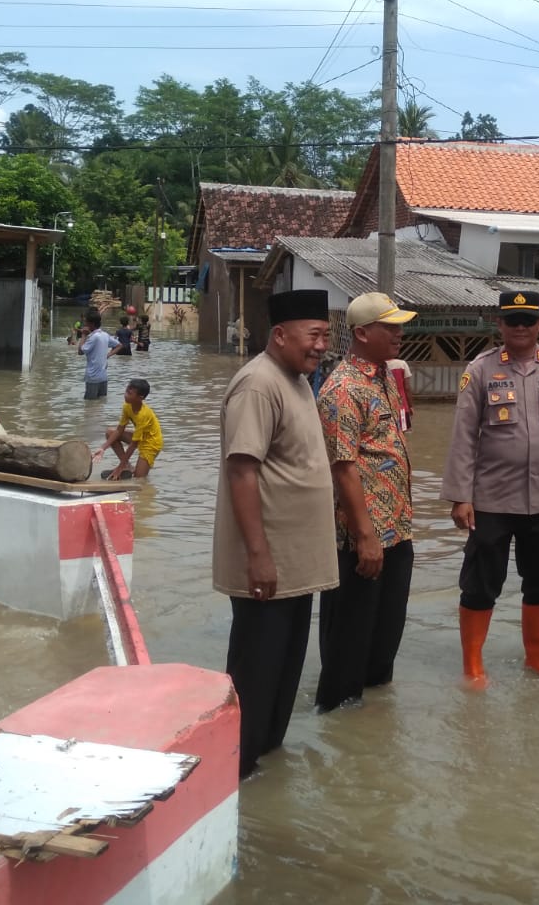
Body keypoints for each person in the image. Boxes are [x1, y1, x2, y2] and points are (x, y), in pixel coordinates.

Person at [213, 288, 338, 778]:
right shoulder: (258, 385)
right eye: (314, 335)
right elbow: (243, 472)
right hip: (268, 563)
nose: (322, 345)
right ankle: (234, 770)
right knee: (256, 672)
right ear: (280, 335)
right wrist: (258, 555)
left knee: (284, 673)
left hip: (297, 564)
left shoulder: (298, 379)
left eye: (327, 335)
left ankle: (265, 764)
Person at [443, 291, 539, 685]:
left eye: (528, 320)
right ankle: (472, 665)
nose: (520, 327)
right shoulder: (481, 369)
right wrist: (461, 496)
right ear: (499, 324)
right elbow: (463, 437)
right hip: (490, 499)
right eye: (512, 320)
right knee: (480, 583)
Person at [315, 292, 418, 712]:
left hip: (397, 529)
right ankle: (338, 722)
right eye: (390, 326)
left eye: (399, 325)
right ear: (362, 332)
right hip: (364, 535)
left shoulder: (383, 377)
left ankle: (373, 733)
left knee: (385, 636)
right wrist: (365, 536)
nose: (399, 333)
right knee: (350, 639)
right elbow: (343, 468)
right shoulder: (342, 388)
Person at [95, 378, 163, 480]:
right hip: (140, 436)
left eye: (130, 393)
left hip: (151, 443)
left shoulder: (143, 415)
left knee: (139, 478)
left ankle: (126, 467)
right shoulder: (127, 406)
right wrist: (103, 448)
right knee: (110, 433)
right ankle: (127, 466)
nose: (125, 395)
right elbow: (119, 430)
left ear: (140, 397)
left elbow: (134, 444)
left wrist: (119, 467)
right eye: (126, 391)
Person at [78, 311, 119, 400]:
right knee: (100, 404)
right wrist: (108, 355)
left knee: (90, 405)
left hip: (93, 377)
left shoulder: (93, 337)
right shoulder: (105, 335)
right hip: (103, 377)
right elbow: (119, 345)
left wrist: (84, 335)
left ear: (91, 324)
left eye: (86, 322)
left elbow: (80, 352)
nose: (84, 324)